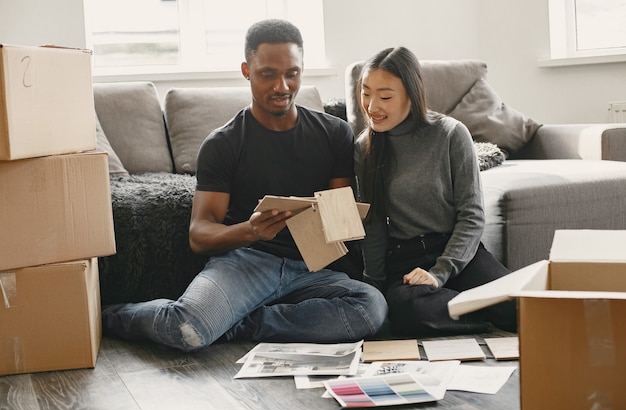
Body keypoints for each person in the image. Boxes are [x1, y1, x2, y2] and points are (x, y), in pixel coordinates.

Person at [102, 19, 387, 352]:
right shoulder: (223, 144)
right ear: (246, 70)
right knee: (185, 328)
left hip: (311, 269)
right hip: (246, 263)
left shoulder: (335, 134)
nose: (282, 86)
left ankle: (238, 324)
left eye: (292, 73)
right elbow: (199, 234)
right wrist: (250, 231)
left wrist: (349, 220)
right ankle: (111, 316)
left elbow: (341, 219)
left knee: (372, 309)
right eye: (268, 74)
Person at [353, 46, 517, 336]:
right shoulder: (364, 148)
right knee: (410, 308)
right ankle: (478, 315)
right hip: (405, 261)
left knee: (523, 308)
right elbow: (374, 225)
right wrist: (375, 289)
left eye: (386, 96)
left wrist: (440, 273)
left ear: (411, 96)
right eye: (366, 93)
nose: (372, 106)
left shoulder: (451, 134)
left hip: (459, 254)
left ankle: (464, 311)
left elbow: (472, 216)